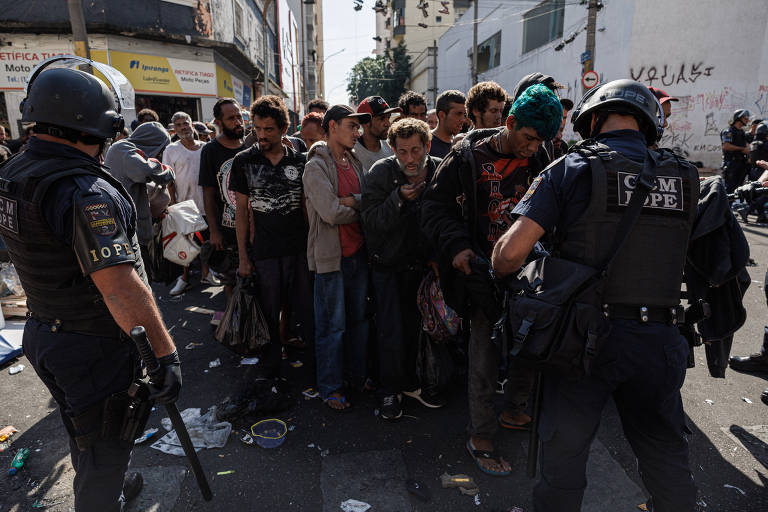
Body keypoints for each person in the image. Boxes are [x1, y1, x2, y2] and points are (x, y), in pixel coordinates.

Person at [492, 79, 698, 511]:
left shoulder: (572, 167)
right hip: (660, 340)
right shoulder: (686, 175)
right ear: (648, 124)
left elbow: (509, 256)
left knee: (564, 460)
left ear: (593, 119)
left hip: (584, 342)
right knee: (665, 456)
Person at [0, 67, 181, 511]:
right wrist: (165, 357)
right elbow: (119, 287)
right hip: (91, 347)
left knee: (86, 435)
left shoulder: (15, 171)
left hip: (44, 333)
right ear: (93, 127)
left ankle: (107, 487)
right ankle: (103, 494)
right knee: (104, 451)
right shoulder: (85, 190)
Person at [421, 84, 562, 476]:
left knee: (528, 349)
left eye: (541, 142)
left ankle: (515, 411)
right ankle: (480, 435)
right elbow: (434, 209)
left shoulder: (542, 157)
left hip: (529, 276)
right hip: (482, 276)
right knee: (483, 358)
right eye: (529, 138)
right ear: (510, 122)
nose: (533, 149)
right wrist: (458, 248)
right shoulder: (465, 156)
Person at [361, 118, 443, 420]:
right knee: (390, 331)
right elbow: (369, 222)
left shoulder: (439, 169)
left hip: (425, 268)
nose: (410, 159)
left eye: (416, 150)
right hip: (389, 268)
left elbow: (448, 217)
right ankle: (389, 391)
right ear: (392, 149)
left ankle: (413, 382)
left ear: (427, 146)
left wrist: (437, 257)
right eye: (403, 151)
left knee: (421, 330)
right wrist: (397, 199)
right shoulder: (381, 173)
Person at [229, 95, 313, 380]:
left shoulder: (300, 162)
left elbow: (306, 208)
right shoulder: (244, 161)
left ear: (283, 130)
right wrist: (243, 257)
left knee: (304, 310)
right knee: (267, 314)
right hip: (263, 253)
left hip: (298, 250)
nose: (262, 135)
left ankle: (309, 370)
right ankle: (271, 374)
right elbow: (241, 212)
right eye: (257, 129)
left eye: (269, 130)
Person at [303, 105, 371, 410]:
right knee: (332, 327)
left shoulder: (355, 162)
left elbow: (369, 199)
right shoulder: (315, 167)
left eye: (358, 127)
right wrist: (359, 212)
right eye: (351, 126)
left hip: (358, 255)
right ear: (331, 127)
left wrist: (353, 202)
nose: (357, 132)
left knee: (359, 322)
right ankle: (330, 387)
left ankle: (357, 377)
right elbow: (329, 212)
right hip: (332, 260)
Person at [104, 121, 173, 283]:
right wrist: (168, 170)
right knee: (141, 285)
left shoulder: (125, 150)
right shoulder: (124, 150)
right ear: (152, 143)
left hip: (128, 230)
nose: (159, 154)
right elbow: (149, 172)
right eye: (161, 149)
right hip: (128, 233)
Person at [163, 112, 220, 294]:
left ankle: (205, 272)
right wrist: (173, 205)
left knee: (207, 242)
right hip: (184, 205)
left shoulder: (206, 148)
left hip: (206, 204)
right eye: (178, 125)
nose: (183, 127)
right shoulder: (171, 150)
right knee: (186, 244)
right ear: (175, 129)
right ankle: (185, 278)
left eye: (185, 123)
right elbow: (168, 180)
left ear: (192, 125)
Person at [198, 98, 246, 296]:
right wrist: (214, 231)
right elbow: (208, 194)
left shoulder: (249, 148)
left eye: (239, 117)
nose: (238, 122)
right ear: (218, 122)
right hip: (226, 232)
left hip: (252, 230)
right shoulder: (210, 151)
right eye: (231, 118)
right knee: (230, 282)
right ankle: (232, 323)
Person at [353, 96, 400, 172]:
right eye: (382, 118)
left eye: (388, 118)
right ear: (366, 122)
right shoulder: (353, 153)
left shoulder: (391, 148)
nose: (388, 124)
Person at [430, 90, 467, 159]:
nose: (463, 120)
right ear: (442, 115)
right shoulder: (425, 142)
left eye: (464, 114)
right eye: (458, 114)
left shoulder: (461, 144)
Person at [721, 109, 751, 193]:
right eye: (745, 118)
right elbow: (726, 146)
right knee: (730, 188)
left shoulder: (741, 132)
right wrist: (742, 149)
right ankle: (727, 205)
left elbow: (746, 145)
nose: (747, 120)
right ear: (738, 118)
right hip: (731, 164)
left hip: (741, 163)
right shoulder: (728, 131)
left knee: (739, 188)